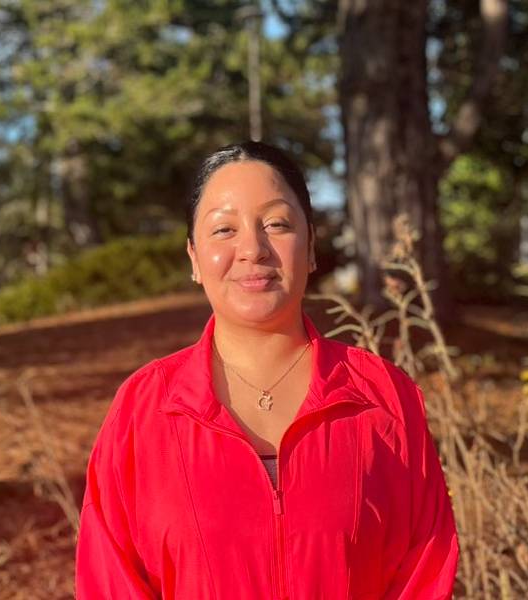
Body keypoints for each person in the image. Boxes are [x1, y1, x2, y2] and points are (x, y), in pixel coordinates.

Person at [75, 141, 459, 599]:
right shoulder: (144, 410)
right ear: (194, 258)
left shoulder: (384, 398)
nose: (252, 249)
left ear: (311, 248)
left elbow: (424, 574)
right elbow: (110, 581)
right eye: (223, 230)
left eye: (276, 224)